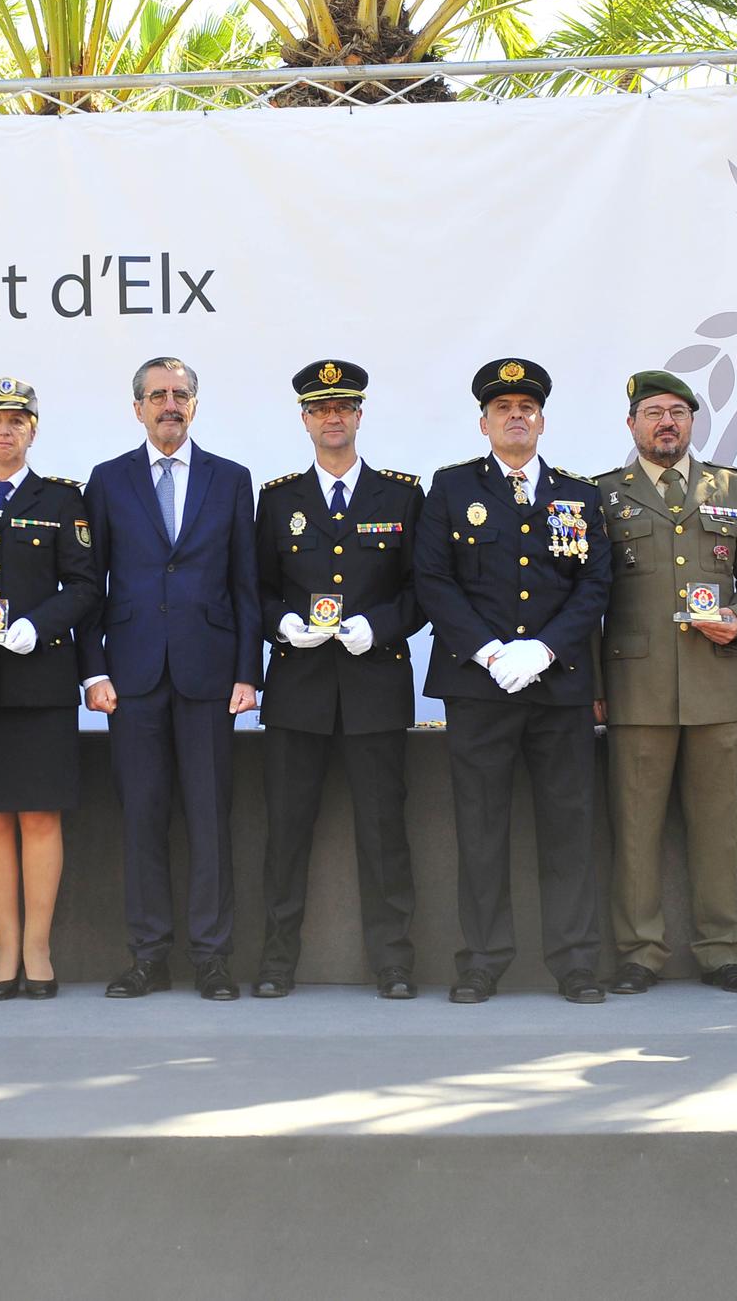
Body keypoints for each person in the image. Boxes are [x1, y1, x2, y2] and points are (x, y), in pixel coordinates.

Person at [412, 358, 611, 1005]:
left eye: (527, 406)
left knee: (569, 827)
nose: (516, 415)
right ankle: (482, 959)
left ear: (543, 420)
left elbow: (595, 585)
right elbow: (433, 580)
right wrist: (492, 651)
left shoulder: (580, 495)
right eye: (503, 408)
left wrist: (546, 649)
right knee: (481, 826)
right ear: (484, 421)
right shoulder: (449, 489)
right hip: (480, 686)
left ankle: (577, 961)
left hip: (559, 688)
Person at [79, 357, 260, 1001]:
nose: (169, 404)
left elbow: (246, 584)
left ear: (195, 404)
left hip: (210, 675)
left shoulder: (232, 479)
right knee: (143, 819)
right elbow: (87, 586)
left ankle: (212, 957)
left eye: (180, 394)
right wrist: (93, 669)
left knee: (211, 820)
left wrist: (248, 672)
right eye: (157, 395)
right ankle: (149, 955)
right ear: (137, 408)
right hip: (131, 678)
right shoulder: (105, 482)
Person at [594, 370, 737, 995]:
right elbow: (589, 598)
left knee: (718, 828)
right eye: (653, 412)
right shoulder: (602, 496)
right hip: (635, 689)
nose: (666, 422)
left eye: (678, 412)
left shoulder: (729, 487)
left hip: (716, 685)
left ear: (692, 422)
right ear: (632, 425)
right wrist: (595, 684)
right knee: (636, 829)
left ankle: (722, 951)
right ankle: (639, 952)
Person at [252, 360, 425, 1000]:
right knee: (286, 834)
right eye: (321, 408)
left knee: (384, 835)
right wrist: (283, 624)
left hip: (374, 684)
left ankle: (394, 963)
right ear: (304, 419)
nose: (333, 417)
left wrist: (379, 628)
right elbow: (257, 591)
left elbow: (421, 592)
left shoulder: (402, 496)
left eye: (344, 406)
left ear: (359, 415)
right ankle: (275, 962)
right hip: (298, 688)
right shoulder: (276, 501)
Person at [0, 378, 100, 1001]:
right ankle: (4, 949)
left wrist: (38, 625)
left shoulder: (62, 500)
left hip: (42, 679)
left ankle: (38, 948)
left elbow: (85, 584)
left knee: (38, 814)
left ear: (34, 431)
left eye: (18, 421)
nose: (6, 430)